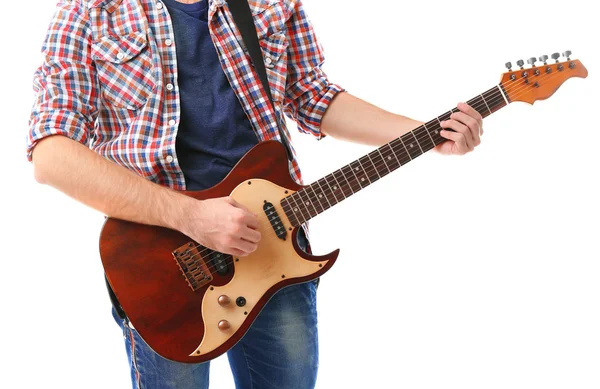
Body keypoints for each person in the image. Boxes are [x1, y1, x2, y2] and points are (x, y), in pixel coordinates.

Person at [26, 0, 483, 388]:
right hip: (162, 263)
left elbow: (312, 96)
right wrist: (190, 217)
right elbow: (51, 155)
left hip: (274, 248)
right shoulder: (90, 12)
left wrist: (426, 135)